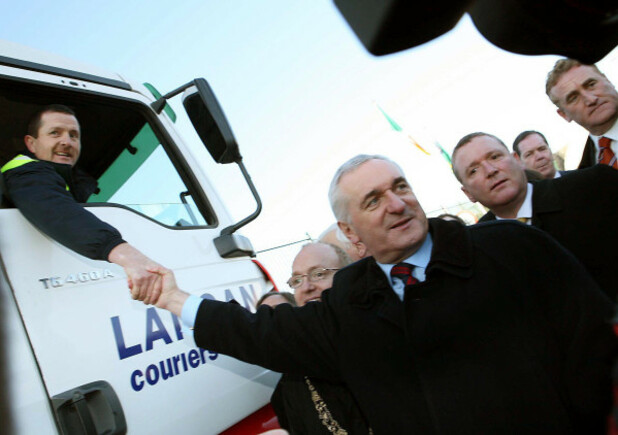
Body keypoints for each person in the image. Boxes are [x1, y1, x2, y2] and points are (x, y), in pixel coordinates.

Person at [141, 154, 616, 434]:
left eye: (400, 186)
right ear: (351, 231)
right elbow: (264, 333)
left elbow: (592, 340)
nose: (396, 204)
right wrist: (174, 299)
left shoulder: (511, 246)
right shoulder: (349, 303)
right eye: (373, 201)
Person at [1, 104, 165, 302]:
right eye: (55, 133)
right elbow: (57, 211)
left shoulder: (72, 183)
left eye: (73, 135)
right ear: (31, 144)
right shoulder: (25, 172)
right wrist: (128, 256)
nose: (66, 141)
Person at [452, 131, 618, 300]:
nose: (490, 170)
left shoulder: (592, 187)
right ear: (468, 193)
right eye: (473, 170)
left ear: (517, 159)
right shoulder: (477, 251)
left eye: (495, 157)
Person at [269, 242, 370, 434]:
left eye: (319, 274)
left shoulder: (388, 336)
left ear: (350, 275)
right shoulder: (289, 385)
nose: (306, 287)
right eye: (297, 280)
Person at [546, 59, 618, 169]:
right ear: (564, 114)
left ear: (607, 80)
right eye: (574, 98)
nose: (591, 99)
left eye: (591, 84)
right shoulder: (585, 170)